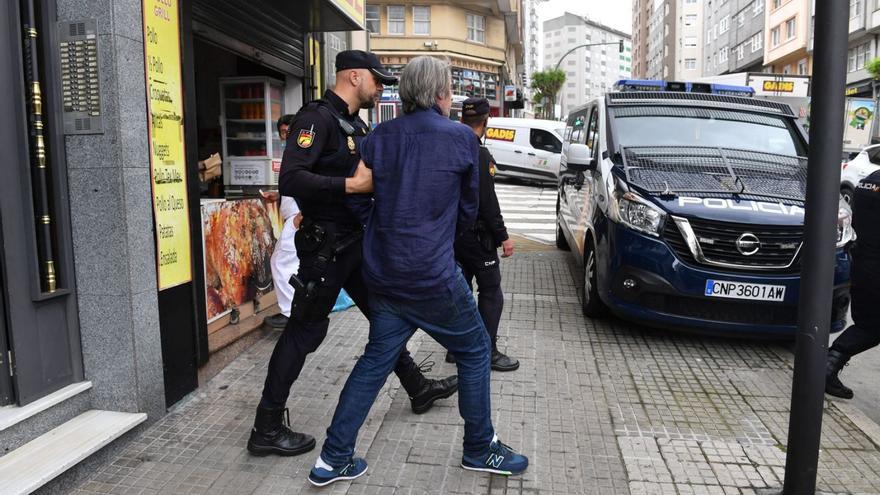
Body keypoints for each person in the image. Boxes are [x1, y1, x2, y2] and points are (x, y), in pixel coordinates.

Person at [308, 56, 528, 487]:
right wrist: (438, 234)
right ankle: (480, 447)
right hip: (432, 275)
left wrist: (379, 227)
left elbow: (356, 194)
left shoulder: (380, 137)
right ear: (441, 94)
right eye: (448, 91)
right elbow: (468, 208)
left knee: (375, 360)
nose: (450, 98)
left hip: (385, 274)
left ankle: (333, 459)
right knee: (476, 349)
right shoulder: (462, 140)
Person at [247, 50, 458, 459]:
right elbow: (291, 177)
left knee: (386, 318)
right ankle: (266, 426)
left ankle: (416, 386)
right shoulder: (316, 118)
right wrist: (349, 187)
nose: (381, 88)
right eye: (377, 81)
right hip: (326, 250)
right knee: (305, 332)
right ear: (354, 76)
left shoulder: (355, 123)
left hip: (354, 245)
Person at [445, 97, 518, 372]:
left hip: (454, 235)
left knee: (461, 291)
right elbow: (488, 202)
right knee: (491, 291)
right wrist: (504, 237)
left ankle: (456, 348)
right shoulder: (480, 154)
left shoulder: (451, 148)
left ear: (462, 119)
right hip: (478, 238)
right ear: (486, 123)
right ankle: (488, 351)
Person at [826, 171, 880, 399]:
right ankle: (826, 368)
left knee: (868, 324)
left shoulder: (870, 180)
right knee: (871, 327)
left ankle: (827, 367)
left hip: (862, 263)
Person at [262, 115, 301, 329]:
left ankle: (290, 315)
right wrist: (279, 196)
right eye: (283, 132)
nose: (286, 135)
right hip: (294, 216)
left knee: (281, 262)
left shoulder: (302, 152)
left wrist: (300, 217)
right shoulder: (292, 152)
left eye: (289, 131)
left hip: (298, 218)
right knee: (288, 264)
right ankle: (295, 311)